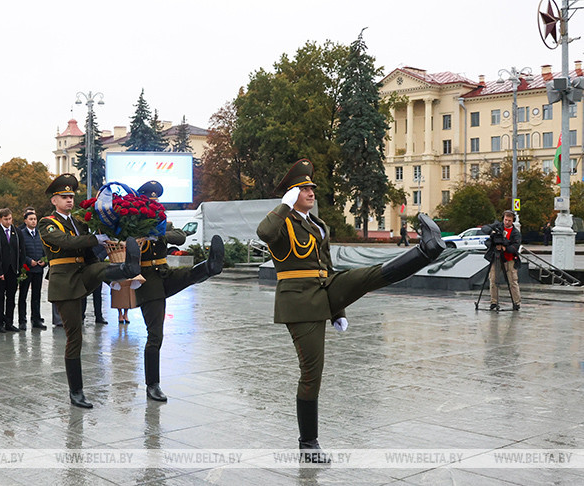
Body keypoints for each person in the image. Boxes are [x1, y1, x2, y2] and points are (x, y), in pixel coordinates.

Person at [256, 158, 446, 461]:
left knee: (366, 276)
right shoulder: (282, 223)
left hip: (325, 290)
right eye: (304, 188)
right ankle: (308, 444)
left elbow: (328, 270)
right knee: (311, 373)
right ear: (291, 193)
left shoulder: (318, 226)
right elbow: (264, 233)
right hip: (299, 303)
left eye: (312, 188)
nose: (311, 192)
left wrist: (338, 310)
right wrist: (283, 205)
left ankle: (427, 251)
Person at [39, 173, 141, 408]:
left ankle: (125, 269)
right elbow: (66, 243)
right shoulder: (48, 223)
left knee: (98, 267)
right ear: (54, 201)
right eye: (64, 197)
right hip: (64, 283)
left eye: (71, 197)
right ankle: (76, 392)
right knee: (75, 337)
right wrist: (94, 239)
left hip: (82, 275)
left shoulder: (79, 223)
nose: (69, 200)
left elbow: (89, 252)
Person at [134, 180, 225, 402]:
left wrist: (159, 233)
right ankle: (152, 384)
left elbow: (180, 236)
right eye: (149, 199)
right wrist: (143, 233)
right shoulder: (133, 224)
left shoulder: (162, 222)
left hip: (164, 273)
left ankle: (210, 266)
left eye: (156, 200)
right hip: (147, 282)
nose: (154, 203)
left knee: (188, 275)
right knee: (155, 335)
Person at [0, 208, 25, 333]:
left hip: (13, 269)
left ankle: (9, 322)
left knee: (11, 297)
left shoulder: (17, 232)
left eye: (10, 219)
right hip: (1, 270)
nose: (8, 222)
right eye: (5, 219)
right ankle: (0, 322)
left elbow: (22, 251)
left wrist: (21, 268)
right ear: (0, 219)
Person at [482, 210, 522, 311]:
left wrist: (505, 247)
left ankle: (516, 302)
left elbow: (515, 247)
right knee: (493, 280)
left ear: (513, 221)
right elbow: (484, 228)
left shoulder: (516, 233)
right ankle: (493, 302)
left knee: (512, 281)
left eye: (509, 220)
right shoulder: (498, 226)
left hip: (509, 260)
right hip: (496, 258)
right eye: (505, 220)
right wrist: (492, 232)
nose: (507, 222)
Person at [18, 209, 47, 330]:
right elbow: (19, 251)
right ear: (25, 221)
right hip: (26, 269)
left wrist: (44, 261)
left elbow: (45, 250)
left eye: (35, 219)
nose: (33, 221)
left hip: (38, 269)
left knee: (36, 295)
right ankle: (22, 320)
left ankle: (36, 319)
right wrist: (29, 261)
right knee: (23, 295)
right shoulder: (21, 234)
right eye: (31, 219)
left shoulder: (40, 234)